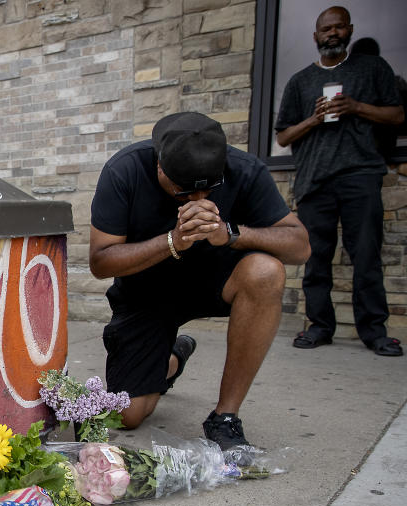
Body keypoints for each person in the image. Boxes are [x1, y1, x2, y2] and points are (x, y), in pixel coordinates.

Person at [89, 112, 310, 450]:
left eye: (208, 190)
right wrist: (173, 241)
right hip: (147, 292)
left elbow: (300, 246)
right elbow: (101, 262)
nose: (196, 201)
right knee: (127, 415)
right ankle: (174, 358)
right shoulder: (125, 170)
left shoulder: (245, 168)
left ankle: (225, 416)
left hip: (216, 282)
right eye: (182, 193)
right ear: (160, 166)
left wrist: (231, 234)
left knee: (266, 271)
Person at [275, 6, 405, 357]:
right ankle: (319, 326)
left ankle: (374, 332)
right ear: (315, 36)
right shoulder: (300, 81)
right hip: (314, 180)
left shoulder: (372, 69)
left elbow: (397, 114)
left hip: (360, 174)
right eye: (325, 29)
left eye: (338, 27)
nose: (331, 33)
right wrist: (314, 119)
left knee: (366, 255)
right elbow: (283, 137)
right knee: (316, 258)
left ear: (349, 30)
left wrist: (356, 107)